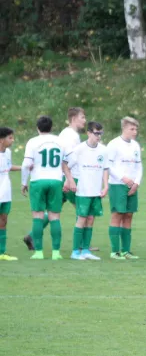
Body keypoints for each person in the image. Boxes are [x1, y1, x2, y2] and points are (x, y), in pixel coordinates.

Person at [23, 107, 89, 250]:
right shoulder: (70, 136)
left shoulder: (68, 134)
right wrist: (68, 177)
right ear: (73, 118)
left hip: (62, 177)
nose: (85, 120)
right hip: (68, 178)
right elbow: (67, 160)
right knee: (82, 209)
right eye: (82, 117)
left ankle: (32, 235)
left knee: (54, 211)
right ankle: (82, 245)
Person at [21, 116, 70, 260]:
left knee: (38, 216)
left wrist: (24, 182)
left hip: (38, 180)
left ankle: (39, 252)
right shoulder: (60, 141)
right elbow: (68, 161)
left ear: (37, 128)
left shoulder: (33, 142)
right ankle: (56, 253)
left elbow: (25, 165)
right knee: (55, 217)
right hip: (56, 180)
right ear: (51, 128)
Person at [64, 122, 108, 260]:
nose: (99, 136)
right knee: (81, 219)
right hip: (83, 190)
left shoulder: (103, 150)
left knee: (90, 219)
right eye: (96, 133)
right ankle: (75, 251)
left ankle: (86, 251)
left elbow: (105, 168)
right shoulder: (79, 149)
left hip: (95, 191)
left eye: (101, 133)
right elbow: (65, 165)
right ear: (88, 133)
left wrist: (106, 186)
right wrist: (70, 180)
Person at [106, 117, 143, 260]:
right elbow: (109, 166)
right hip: (117, 185)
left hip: (132, 186)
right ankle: (115, 251)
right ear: (124, 128)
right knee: (117, 215)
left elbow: (138, 166)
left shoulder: (135, 145)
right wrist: (123, 178)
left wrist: (136, 183)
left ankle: (126, 251)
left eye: (136, 129)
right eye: (132, 129)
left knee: (128, 215)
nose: (135, 132)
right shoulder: (114, 144)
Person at [0, 127, 21, 261]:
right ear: (2, 140)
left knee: (3, 221)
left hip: (6, 192)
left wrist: (23, 167)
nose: (13, 140)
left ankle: (1, 252)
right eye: (10, 138)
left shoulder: (7, 152)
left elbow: (8, 167)